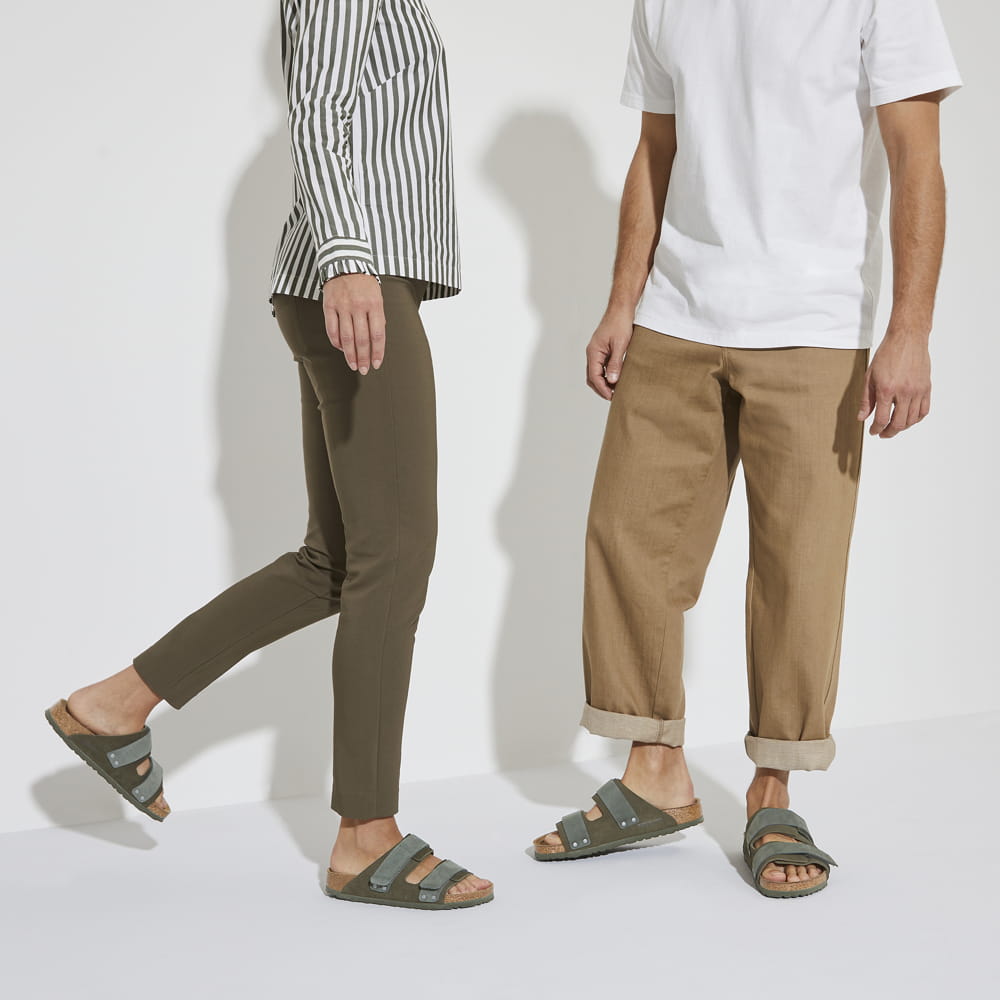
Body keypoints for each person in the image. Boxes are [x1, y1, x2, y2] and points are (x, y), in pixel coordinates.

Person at [45, 0, 492, 911]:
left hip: (356, 277)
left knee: (339, 561)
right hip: (356, 278)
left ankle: (114, 706)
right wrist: (350, 259)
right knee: (395, 555)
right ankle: (366, 837)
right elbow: (320, 106)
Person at [532, 0, 961, 898]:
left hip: (814, 318)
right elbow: (656, 150)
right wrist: (622, 301)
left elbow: (916, 156)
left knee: (799, 563)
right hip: (676, 312)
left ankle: (774, 788)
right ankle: (655, 772)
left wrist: (910, 329)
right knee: (628, 538)